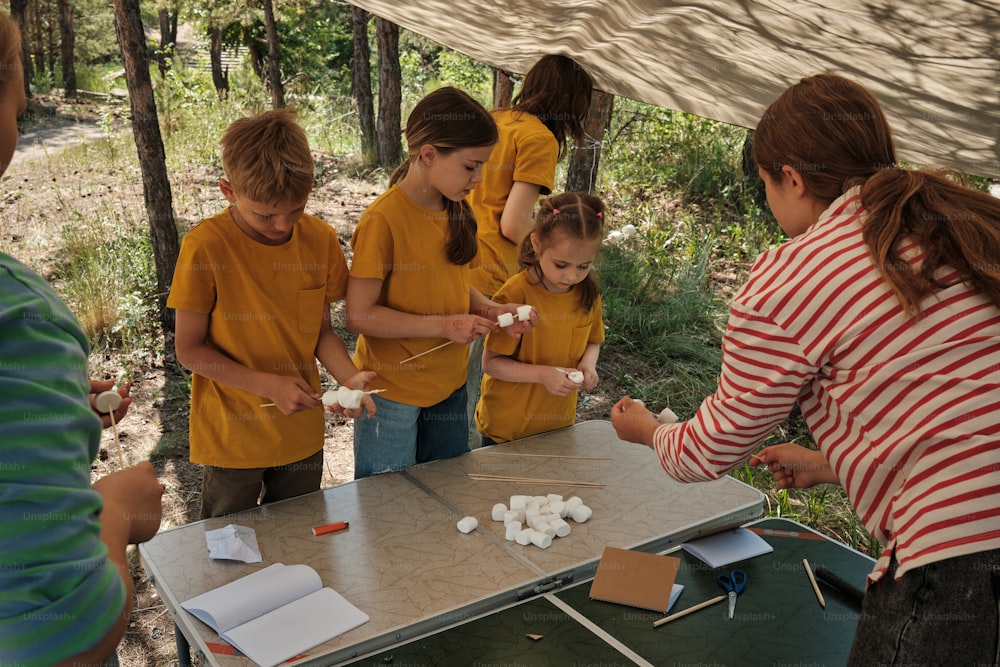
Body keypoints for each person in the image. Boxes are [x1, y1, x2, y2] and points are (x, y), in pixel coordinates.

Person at [611, 73, 1000, 664]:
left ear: (790, 176)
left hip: (957, 555)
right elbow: (957, 407)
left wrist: (644, 429)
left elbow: (707, 452)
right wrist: (827, 463)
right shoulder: (956, 228)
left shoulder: (794, 277)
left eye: (767, 184)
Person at [0, 11, 164, 665]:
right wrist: (115, 510)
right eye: (16, 109)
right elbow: (62, 639)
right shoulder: (21, 324)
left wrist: (48, 403)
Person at [169, 108, 375, 519]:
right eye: (265, 214)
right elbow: (190, 351)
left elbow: (320, 332)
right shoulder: (206, 248)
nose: (282, 225)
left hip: (300, 432)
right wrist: (268, 385)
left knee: (298, 533)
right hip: (234, 436)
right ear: (228, 191)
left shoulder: (318, 240)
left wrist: (349, 377)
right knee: (231, 541)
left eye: (296, 209)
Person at [345, 86, 531, 478]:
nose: (479, 178)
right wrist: (444, 326)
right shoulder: (383, 221)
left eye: (483, 166)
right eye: (470, 166)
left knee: (446, 493)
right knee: (388, 504)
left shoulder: (457, 210)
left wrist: (491, 309)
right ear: (428, 154)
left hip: (448, 386)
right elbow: (360, 315)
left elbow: (449, 285)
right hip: (391, 394)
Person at [465, 54, 594, 443]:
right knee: (469, 397)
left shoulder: (495, 119)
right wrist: (557, 254)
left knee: (448, 394)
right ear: (573, 103)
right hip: (492, 276)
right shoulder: (539, 137)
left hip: (457, 266)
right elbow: (513, 223)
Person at [475, 192, 605, 445]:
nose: (571, 276)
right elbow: (492, 364)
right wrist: (544, 375)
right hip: (507, 428)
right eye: (561, 265)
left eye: (583, 266)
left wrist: (588, 366)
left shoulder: (587, 294)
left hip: (557, 426)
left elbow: (593, 340)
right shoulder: (515, 295)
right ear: (536, 244)